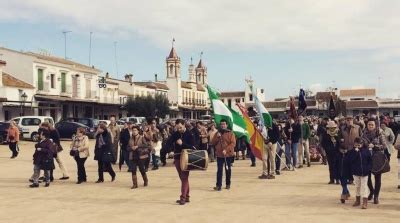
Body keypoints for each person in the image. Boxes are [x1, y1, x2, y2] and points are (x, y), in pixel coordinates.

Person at [166, 119, 195, 205]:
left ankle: (183, 197)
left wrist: (182, 144)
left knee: (184, 177)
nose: (179, 129)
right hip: (177, 158)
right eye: (177, 128)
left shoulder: (190, 134)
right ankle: (187, 196)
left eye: (180, 127)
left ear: (184, 125)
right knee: (182, 178)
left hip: (187, 158)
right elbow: (168, 143)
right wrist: (169, 150)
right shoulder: (175, 134)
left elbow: (193, 147)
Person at [362, 118, 387, 204]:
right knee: (367, 177)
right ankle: (371, 191)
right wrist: (364, 146)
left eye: (372, 125)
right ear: (367, 125)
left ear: (375, 125)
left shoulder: (379, 133)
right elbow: (361, 144)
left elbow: (384, 146)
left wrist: (375, 146)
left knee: (377, 177)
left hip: (377, 157)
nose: (370, 126)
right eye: (369, 124)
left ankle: (376, 196)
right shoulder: (363, 133)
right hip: (367, 157)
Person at [211, 120, 236, 191]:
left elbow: (233, 143)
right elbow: (213, 142)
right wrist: (217, 137)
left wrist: (226, 150)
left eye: (224, 124)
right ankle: (218, 185)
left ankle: (228, 184)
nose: (222, 125)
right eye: (221, 124)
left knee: (228, 170)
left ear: (227, 125)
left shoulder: (230, 133)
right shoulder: (217, 133)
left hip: (228, 155)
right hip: (219, 155)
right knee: (219, 170)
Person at [348, 137, 372, 209]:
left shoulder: (366, 151)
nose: (357, 146)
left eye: (359, 145)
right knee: (357, 186)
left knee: (364, 187)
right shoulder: (352, 152)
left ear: (362, 144)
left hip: (365, 172)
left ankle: (365, 202)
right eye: (356, 145)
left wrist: (368, 168)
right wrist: (356, 153)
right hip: (356, 172)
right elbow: (350, 160)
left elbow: (370, 161)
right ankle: (358, 200)